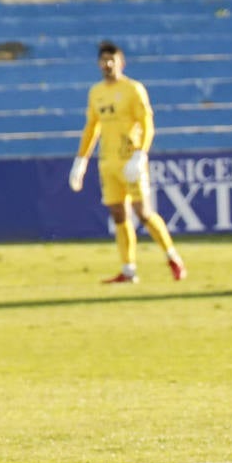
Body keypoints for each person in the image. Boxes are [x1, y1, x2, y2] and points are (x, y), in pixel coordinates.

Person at [68, 40, 186, 284]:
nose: (107, 64)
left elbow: (146, 124)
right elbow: (92, 127)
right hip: (107, 161)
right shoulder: (96, 92)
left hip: (130, 159)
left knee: (142, 212)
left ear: (121, 62)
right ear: (98, 64)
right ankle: (128, 270)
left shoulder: (134, 89)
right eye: (103, 60)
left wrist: (141, 153)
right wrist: (81, 160)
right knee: (118, 214)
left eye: (112, 59)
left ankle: (172, 257)